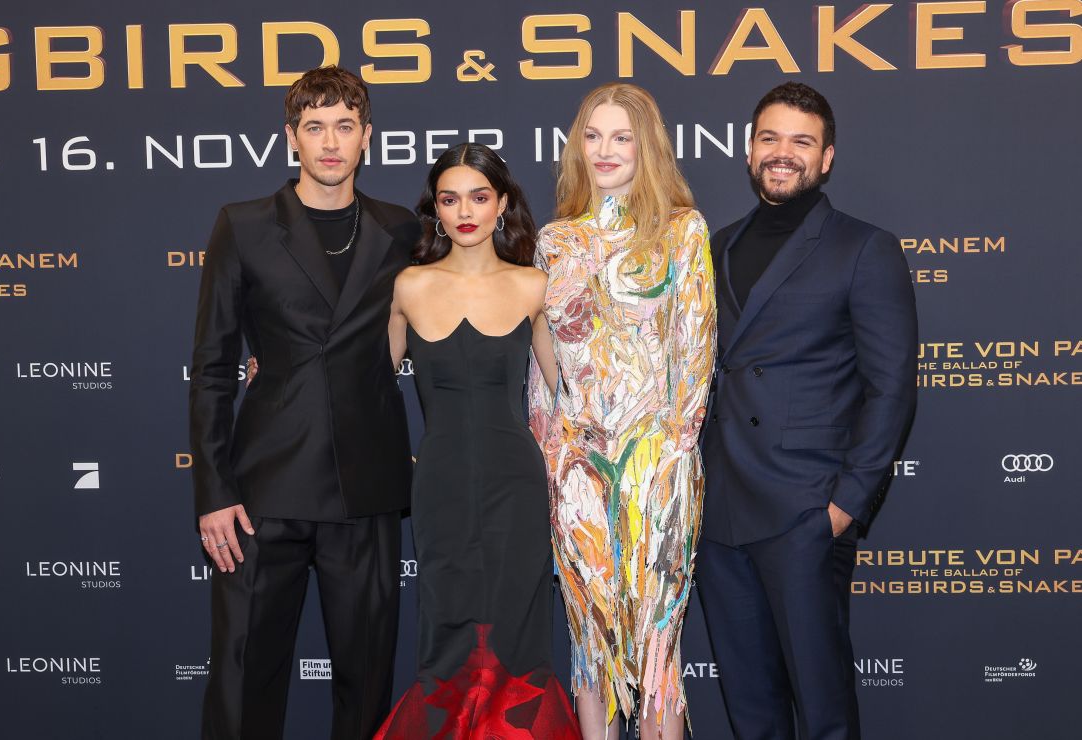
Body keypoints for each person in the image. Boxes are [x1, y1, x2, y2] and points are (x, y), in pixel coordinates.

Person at [188, 65, 417, 740]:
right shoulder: (245, 225)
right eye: (314, 127)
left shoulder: (400, 229)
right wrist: (212, 492)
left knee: (366, 679)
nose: (330, 142)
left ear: (366, 137)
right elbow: (210, 367)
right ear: (292, 138)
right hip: (263, 492)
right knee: (242, 680)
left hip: (365, 487)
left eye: (345, 126)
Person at [694, 82, 918, 740]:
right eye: (770, 138)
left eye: (801, 141)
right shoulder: (716, 246)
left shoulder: (863, 248)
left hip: (803, 510)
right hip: (720, 510)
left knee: (822, 712)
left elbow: (892, 386)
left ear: (826, 159)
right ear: (748, 149)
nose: (782, 152)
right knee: (750, 709)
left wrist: (844, 504)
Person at [527, 83, 717, 739]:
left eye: (621, 137)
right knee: (592, 646)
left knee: (658, 648)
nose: (605, 150)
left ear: (647, 148)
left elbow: (695, 355)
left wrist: (669, 457)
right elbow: (543, 372)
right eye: (593, 135)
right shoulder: (556, 242)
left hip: (660, 472)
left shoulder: (683, 233)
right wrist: (558, 458)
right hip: (577, 472)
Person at [372, 142, 579, 738]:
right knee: (447, 619)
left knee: (515, 622)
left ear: (502, 204)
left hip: (516, 478)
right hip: (437, 478)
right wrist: (280, 369)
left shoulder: (534, 284)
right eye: (450, 198)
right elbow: (363, 381)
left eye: (480, 197)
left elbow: (572, 388)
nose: (466, 210)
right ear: (435, 209)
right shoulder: (408, 286)